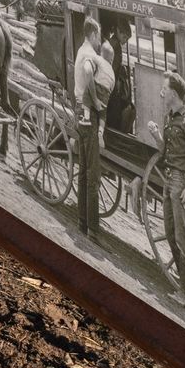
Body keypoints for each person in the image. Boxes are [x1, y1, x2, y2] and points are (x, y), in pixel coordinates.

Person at [151, 70, 185, 310]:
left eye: (164, 90)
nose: (162, 94)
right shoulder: (169, 119)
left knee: (183, 240)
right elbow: (166, 153)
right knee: (171, 233)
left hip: (181, 184)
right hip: (169, 181)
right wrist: (156, 136)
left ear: (173, 94)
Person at [72, 16, 114, 241]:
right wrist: (96, 99)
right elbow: (89, 71)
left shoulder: (81, 50)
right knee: (92, 173)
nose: (100, 41)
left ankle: (82, 221)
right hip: (89, 113)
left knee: (83, 170)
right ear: (94, 34)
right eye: (99, 37)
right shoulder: (90, 55)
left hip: (80, 110)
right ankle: (92, 230)